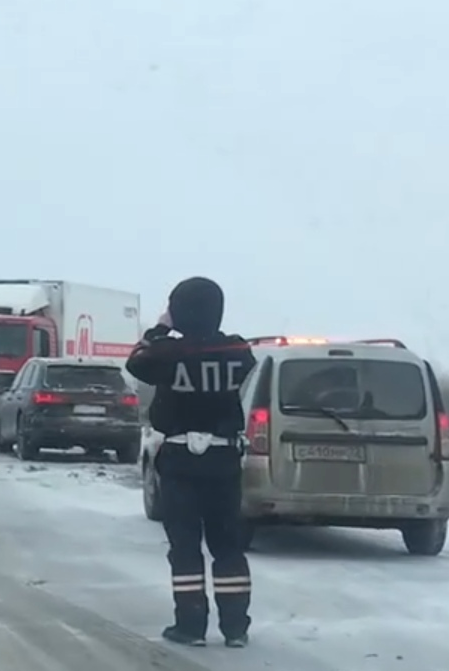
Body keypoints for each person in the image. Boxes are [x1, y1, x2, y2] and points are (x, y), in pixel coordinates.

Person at [126, 277, 255, 649]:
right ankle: (235, 628)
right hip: (224, 458)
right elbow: (244, 361)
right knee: (228, 545)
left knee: (185, 546)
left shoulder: (167, 353)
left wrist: (162, 327)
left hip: (181, 457)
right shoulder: (237, 349)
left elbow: (137, 360)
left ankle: (191, 626)